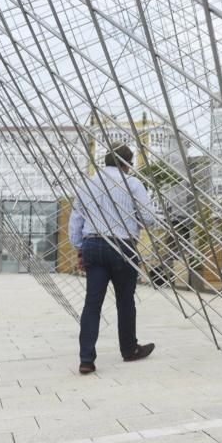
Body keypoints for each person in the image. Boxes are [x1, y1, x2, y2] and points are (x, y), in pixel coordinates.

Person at [69, 143, 157, 375]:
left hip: (93, 244)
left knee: (92, 303)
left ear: (106, 161)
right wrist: (133, 221)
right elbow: (149, 217)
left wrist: (79, 246)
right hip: (123, 245)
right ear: (127, 164)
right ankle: (129, 349)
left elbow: (76, 217)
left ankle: (86, 359)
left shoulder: (88, 183)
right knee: (125, 301)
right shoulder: (133, 184)